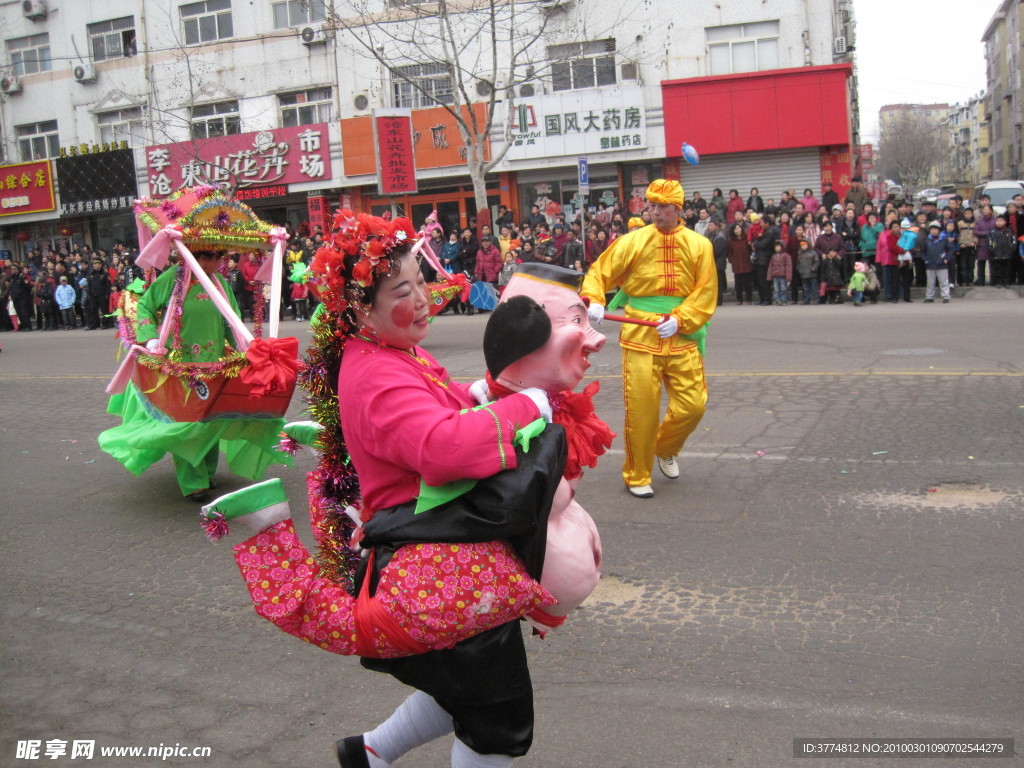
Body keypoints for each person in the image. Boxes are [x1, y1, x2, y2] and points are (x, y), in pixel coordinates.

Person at [99, 249, 288, 502]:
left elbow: (231, 321)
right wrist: (152, 339)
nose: (216, 263)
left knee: (209, 420)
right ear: (197, 258)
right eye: (210, 258)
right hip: (182, 366)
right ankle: (193, 482)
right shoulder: (172, 280)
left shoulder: (220, 284)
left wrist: (245, 351)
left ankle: (207, 473)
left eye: (219, 258)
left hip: (215, 364)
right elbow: (145, 306)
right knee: (187, 422)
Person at [582, 179, 717, 498]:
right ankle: (637, 474)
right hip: (640, 334)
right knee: (641, 410)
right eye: (651, 205)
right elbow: (599, 272)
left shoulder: (700, 245)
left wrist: (682, 319)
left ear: (678, 210)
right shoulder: (634, 240)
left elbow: (707, 291)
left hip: (681, 335)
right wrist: (595, 299)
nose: (654, 212)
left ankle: (665, 448)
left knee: (693, 405)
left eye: (662, 207)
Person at [921, 222, 954, 302]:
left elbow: (950, 249)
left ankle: (946, 296)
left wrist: (947, 258)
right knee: (930, 282)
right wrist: (925, 259)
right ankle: (929, 296)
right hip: (930, 264)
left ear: (939, 230)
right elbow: (923, 251)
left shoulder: (944, 240)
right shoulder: (927, 240)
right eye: (932, 229)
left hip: (941, 264)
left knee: (943, 281)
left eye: (935, 229)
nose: (933, 231)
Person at [727, 222, 754, 304]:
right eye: (736, 229)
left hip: (746, 263)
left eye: (739, 228)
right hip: (737, 264)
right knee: (738, 284)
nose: (738, 230)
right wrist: (732, 261)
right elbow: (729, 253)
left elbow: (750, 250)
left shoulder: (746, 238)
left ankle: (749, 299)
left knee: (747, 283)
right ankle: (739, 299)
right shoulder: (731, 241)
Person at [988, 214, 1016, 288]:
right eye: (997, 221)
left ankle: (1006, 282)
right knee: (997, 269)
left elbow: (1013, 241)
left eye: (1001, 221)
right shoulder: (992, 232)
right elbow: (989, 242)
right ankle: (998, 282)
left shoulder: (1009, 231)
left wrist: (1011, 249)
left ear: (1005, 222)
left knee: (1007, 270)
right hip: (996, 254)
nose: (999, 222)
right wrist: (992, 249)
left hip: (1007, 254)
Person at [705, 215, 727, 306]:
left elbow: (716, 251)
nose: (709, 227)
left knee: (718, 283)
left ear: (716, 226)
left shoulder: (720, 237)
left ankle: (719, 300)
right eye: (709, 225)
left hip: (718, 263)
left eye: (711, 225)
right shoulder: (709, 235)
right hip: (712, 263)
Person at [766, 240, 792, 306]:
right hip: (775, 275)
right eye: (776, 247)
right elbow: (770, 266)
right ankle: (778, 300)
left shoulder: (786, 255)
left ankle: (784, 300)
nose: (777, 248)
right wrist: (769, 276)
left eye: (778, 246)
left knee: (783, 288)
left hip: (783, 275)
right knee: (776, 289)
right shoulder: (773, 256)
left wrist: (788, 277)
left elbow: (788, 266)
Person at [795, 239, 820, 305]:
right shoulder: (799, 254)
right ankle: (806, 299)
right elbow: (798, 263)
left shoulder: (813, 253)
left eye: (804, 245)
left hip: (812, 274)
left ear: (808, 245)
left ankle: (816, 299)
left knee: (814, 287)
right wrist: (799, 270)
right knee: (805, 288)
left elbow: (816, 262)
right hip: (803, 274)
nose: (803, 246)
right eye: (802, 245)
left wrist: (813, 269)